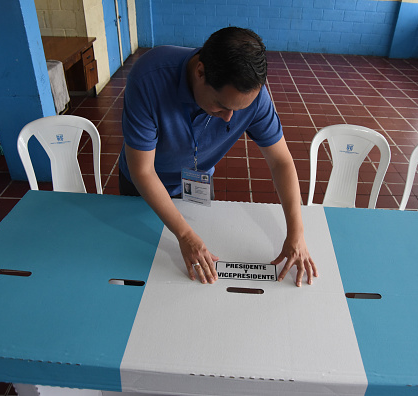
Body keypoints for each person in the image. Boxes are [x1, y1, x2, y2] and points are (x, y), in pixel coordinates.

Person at [119, 27, 318, 287]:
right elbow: (142, 171)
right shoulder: (148, 78)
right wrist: (186, 236)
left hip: (195, 185)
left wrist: (297, 233)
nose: (229, 118)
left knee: (192, 279)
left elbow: (281, 161)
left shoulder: (254, 99)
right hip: (142, 188)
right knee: (141, 270)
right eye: (222, 106)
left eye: (240, 109)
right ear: (200, 72)